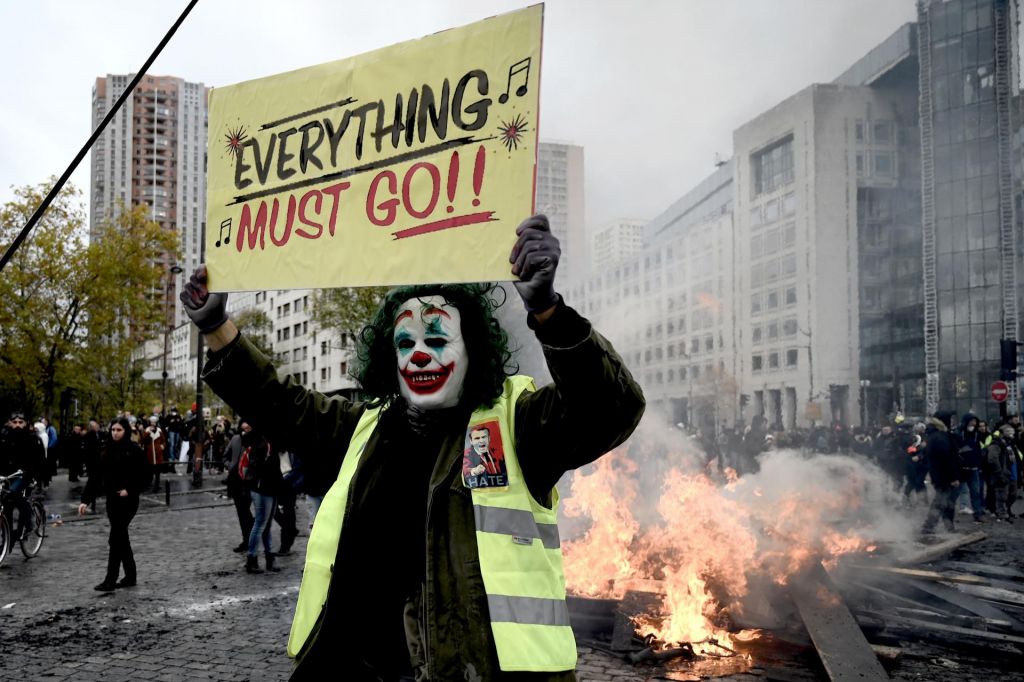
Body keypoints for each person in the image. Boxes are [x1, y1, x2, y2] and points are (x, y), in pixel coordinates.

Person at [180, 214, 645, 680]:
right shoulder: (367, 427)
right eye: (406, 343)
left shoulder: (517, 425)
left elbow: (611, 409)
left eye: (438, 338)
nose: (419, 354)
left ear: (473, 351)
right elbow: (281, 404)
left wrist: (548, 311)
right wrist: (217, 326)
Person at [78, 417, 149, 591]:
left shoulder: (134, 450)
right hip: (112, 501)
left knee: (116, 538)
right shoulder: (106, 451)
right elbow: (95, 477)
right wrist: (85, 500)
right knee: (121, 538)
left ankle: (111, 579)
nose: (115, 433)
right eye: (113, 430)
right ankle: (131, 576)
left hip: (128, 501)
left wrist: (130, 490)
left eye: (119, 430)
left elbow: (146, 476)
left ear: (125, 431)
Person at [239, 429, 282, 573]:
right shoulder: (263, 445)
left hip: (267, 488)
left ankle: (267, 559)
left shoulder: (265, 444)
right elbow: (259, 466)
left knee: (265, 525)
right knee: (260, 524)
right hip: (263, 488)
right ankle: (253, 559)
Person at [0, 411, 45, 539]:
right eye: (15, 422)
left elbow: (39, 460)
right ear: (9, 423)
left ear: (26, 424)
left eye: (21, 422)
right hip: (9, 475)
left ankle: (29, 520)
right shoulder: (4, 438)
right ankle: (7, 535)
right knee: (5, 502)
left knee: (13, 493)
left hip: (25, 474)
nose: (18, 425)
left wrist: (31, 472)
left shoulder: (32, 438)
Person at [922, 410, 960, 534]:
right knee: (941, 501)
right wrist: (953, 476)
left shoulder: (936, 435)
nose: (953, 422)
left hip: (939, 474)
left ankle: (948, 526)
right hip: (944, 475)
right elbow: (947, 458)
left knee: (946, 501)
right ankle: (929, 527)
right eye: (951, 419)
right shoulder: (941, 436)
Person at [224, 420, 254, 553]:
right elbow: (226, 455)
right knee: (242, 512)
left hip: (249, 480)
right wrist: (229, 465)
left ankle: (251, 538)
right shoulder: (235, 439)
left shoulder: (256, 440)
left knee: (246, 511)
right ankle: (246, 539)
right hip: (235, 479)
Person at [461, 423, 508, 487]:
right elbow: (465, 470)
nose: (481, 441)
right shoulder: (466, 454)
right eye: (477, 438)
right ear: (471, 441)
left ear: (489, 438)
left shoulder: (498, 452)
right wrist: (474, 471)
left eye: (484, 437)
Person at [140, 416, 166, 493]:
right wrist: (148, 433)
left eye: (154, 422)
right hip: (150, 453)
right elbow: (143, 440)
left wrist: (162, 447)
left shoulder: (159, 430)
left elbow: (164, 440)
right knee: (149, 471)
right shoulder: (147, 430)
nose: (153, 424)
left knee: (158, 472)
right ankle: (148, 485)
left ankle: (156, 486)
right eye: (152, 422)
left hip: (158, 453)